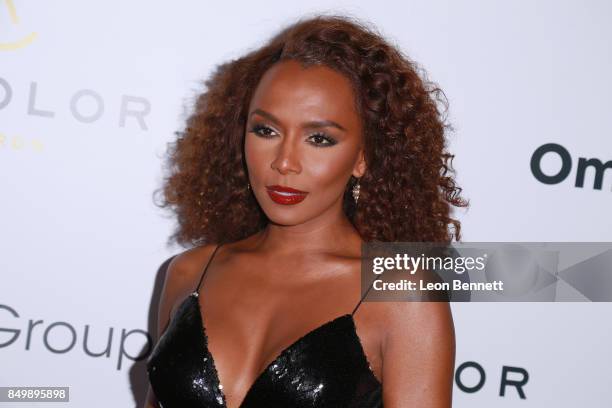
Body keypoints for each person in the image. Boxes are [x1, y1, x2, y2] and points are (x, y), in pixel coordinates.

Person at [144, 13, 467, 408]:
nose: (284, 162)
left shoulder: (400, 295)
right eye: (266, 131)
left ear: (363, 157)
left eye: (319, 138)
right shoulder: (189, 272)